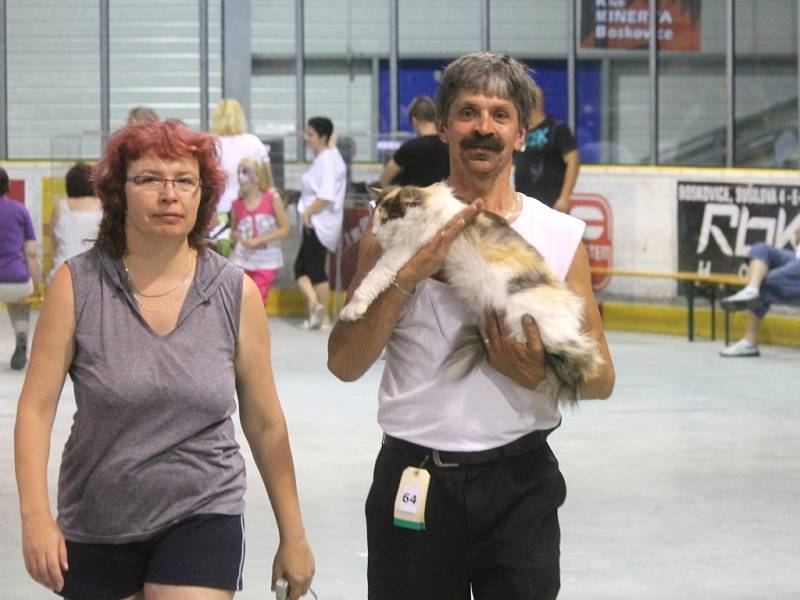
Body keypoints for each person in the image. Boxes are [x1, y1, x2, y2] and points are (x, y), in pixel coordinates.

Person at [328, 52, 615, 599]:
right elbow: (343, 364)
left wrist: (538, 373)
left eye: (500, 114)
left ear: (522, 133)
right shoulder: (392, 228)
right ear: (443, 127)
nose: (483, 127)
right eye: (468, 112)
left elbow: (602, 379)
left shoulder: (559, 236)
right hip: (415, 479)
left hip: (520, 484)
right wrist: (408, 277)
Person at [14, 120, 314, 599]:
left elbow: (264, 422)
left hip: (203, 507)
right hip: (97, 517)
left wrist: (293, 533)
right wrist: (35, 517)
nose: (169, 194)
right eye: (150, 179)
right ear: (119, 192)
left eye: (184, 180)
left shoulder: (233, 292)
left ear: (203, 194)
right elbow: (35, 409)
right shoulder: (77, 286)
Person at [295, 116, 347, 330]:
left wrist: (307, 213)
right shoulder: (328, 156)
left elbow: (325, 195)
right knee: (304, 268)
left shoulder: (327, 159)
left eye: (311, 134)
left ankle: (321, 314)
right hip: (317, 221)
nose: (307, 138)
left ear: (323, 137)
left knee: (312, 270)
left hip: (317, 223)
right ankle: (316, 312)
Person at [719, 233, 800, 357]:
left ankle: (749, 342)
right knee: (760, 249)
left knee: (767, 282)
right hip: (795, 259)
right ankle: (751, 290)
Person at [230, 157, 291, 305]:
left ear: (258, 176)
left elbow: (285, 229)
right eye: (238, 172)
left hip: (266, 261)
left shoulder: (272, 198)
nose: (240, 176)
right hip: (243, 260)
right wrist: (241, 238)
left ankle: (254, 327)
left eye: (245, 172)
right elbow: (233, 232)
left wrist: (259, 240)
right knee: (240, 300)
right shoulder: (236, 204)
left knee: (257, 299)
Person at [513, 84, 580, 213]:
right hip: (523, 205)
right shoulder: (520, 131)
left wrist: (564, 197)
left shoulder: (557, 129)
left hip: (551, 204)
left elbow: (573, 161)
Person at [0, 166, 41, 370]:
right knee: (19, 301)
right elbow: (31, 252)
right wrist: (37, 283)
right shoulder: (20, 210)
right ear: (8, 186)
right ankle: (22, 334)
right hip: (16, 281)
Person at [211, 98, 270, 216]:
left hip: (221, 207)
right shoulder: (254, 142)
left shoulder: (212, 144)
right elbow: (267, 180)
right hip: (251, 206)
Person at [378, 95, 449, 187]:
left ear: (414, 120)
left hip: (414, 199)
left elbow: (384, 180)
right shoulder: (448, 145)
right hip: (443, 199)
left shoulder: (409, 148)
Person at [48, 162, 102, 282]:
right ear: (94, 184)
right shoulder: (103, 205)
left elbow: (54, 243)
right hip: (96, 271)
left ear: (69, 185)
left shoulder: (60, 206)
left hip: (64, 270)